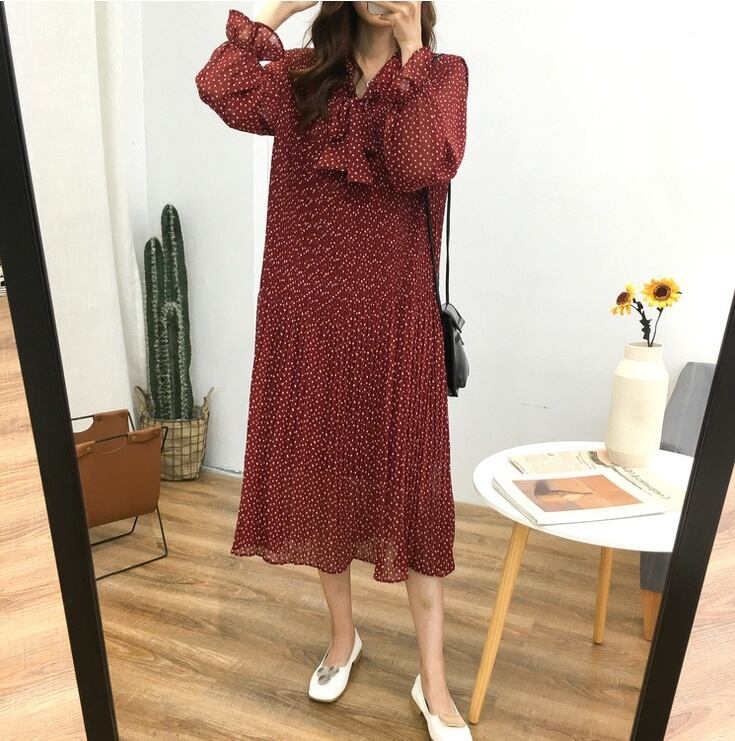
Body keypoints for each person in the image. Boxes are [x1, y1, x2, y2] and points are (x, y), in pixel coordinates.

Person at [195, 2, 469, 737]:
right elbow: (218, 87)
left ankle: (434, 681)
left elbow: (416, 164)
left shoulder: (443, 75)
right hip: (308, 313)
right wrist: (278, 11)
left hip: (396, 322)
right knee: (325, 485)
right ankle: (343, 637)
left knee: (413, 497)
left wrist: (411, 50)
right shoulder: (303, 76)